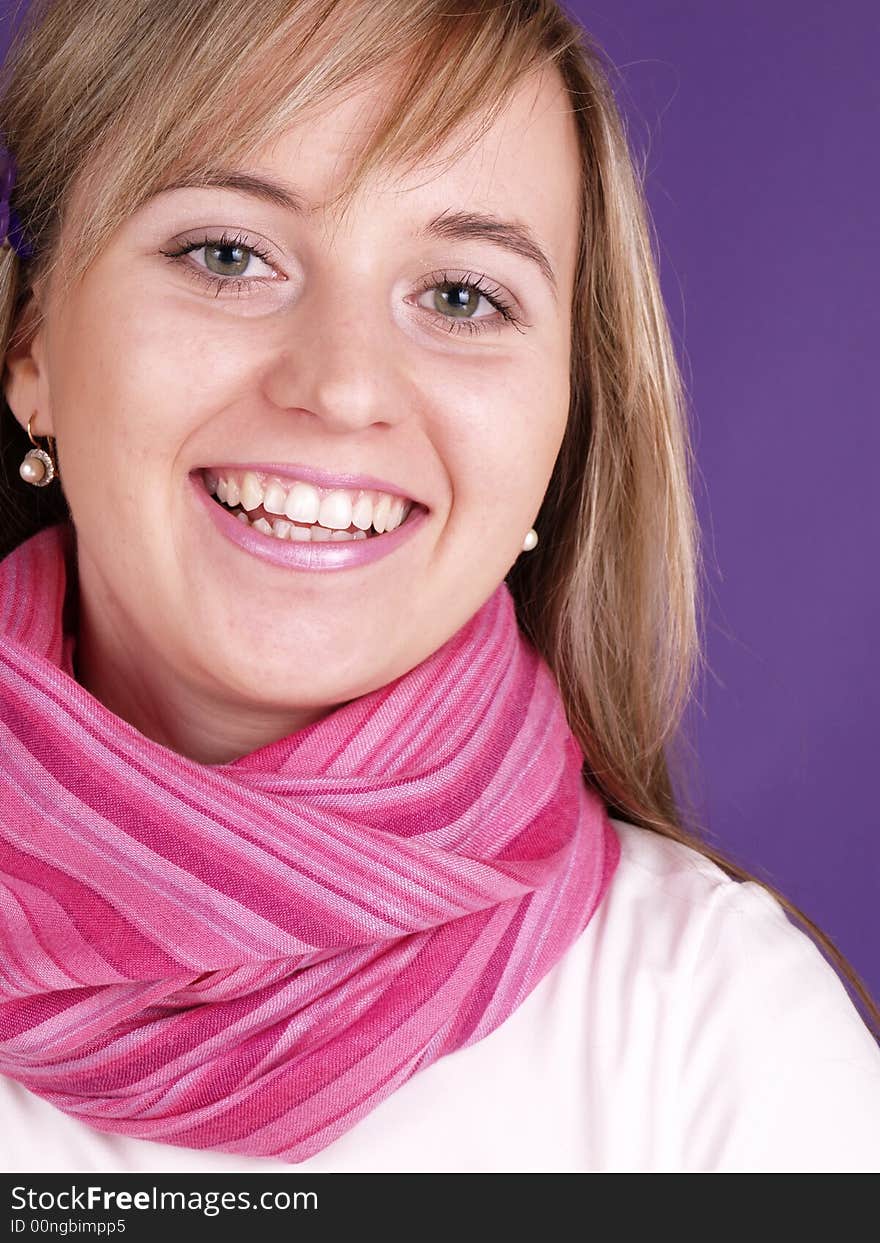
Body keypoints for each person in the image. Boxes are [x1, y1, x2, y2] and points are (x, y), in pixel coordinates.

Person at [0, 0, 878, 1176]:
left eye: (462, 296)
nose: (346, 385)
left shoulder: (715, 1035)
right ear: (31, 345)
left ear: (563, 423)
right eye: (227, 255)